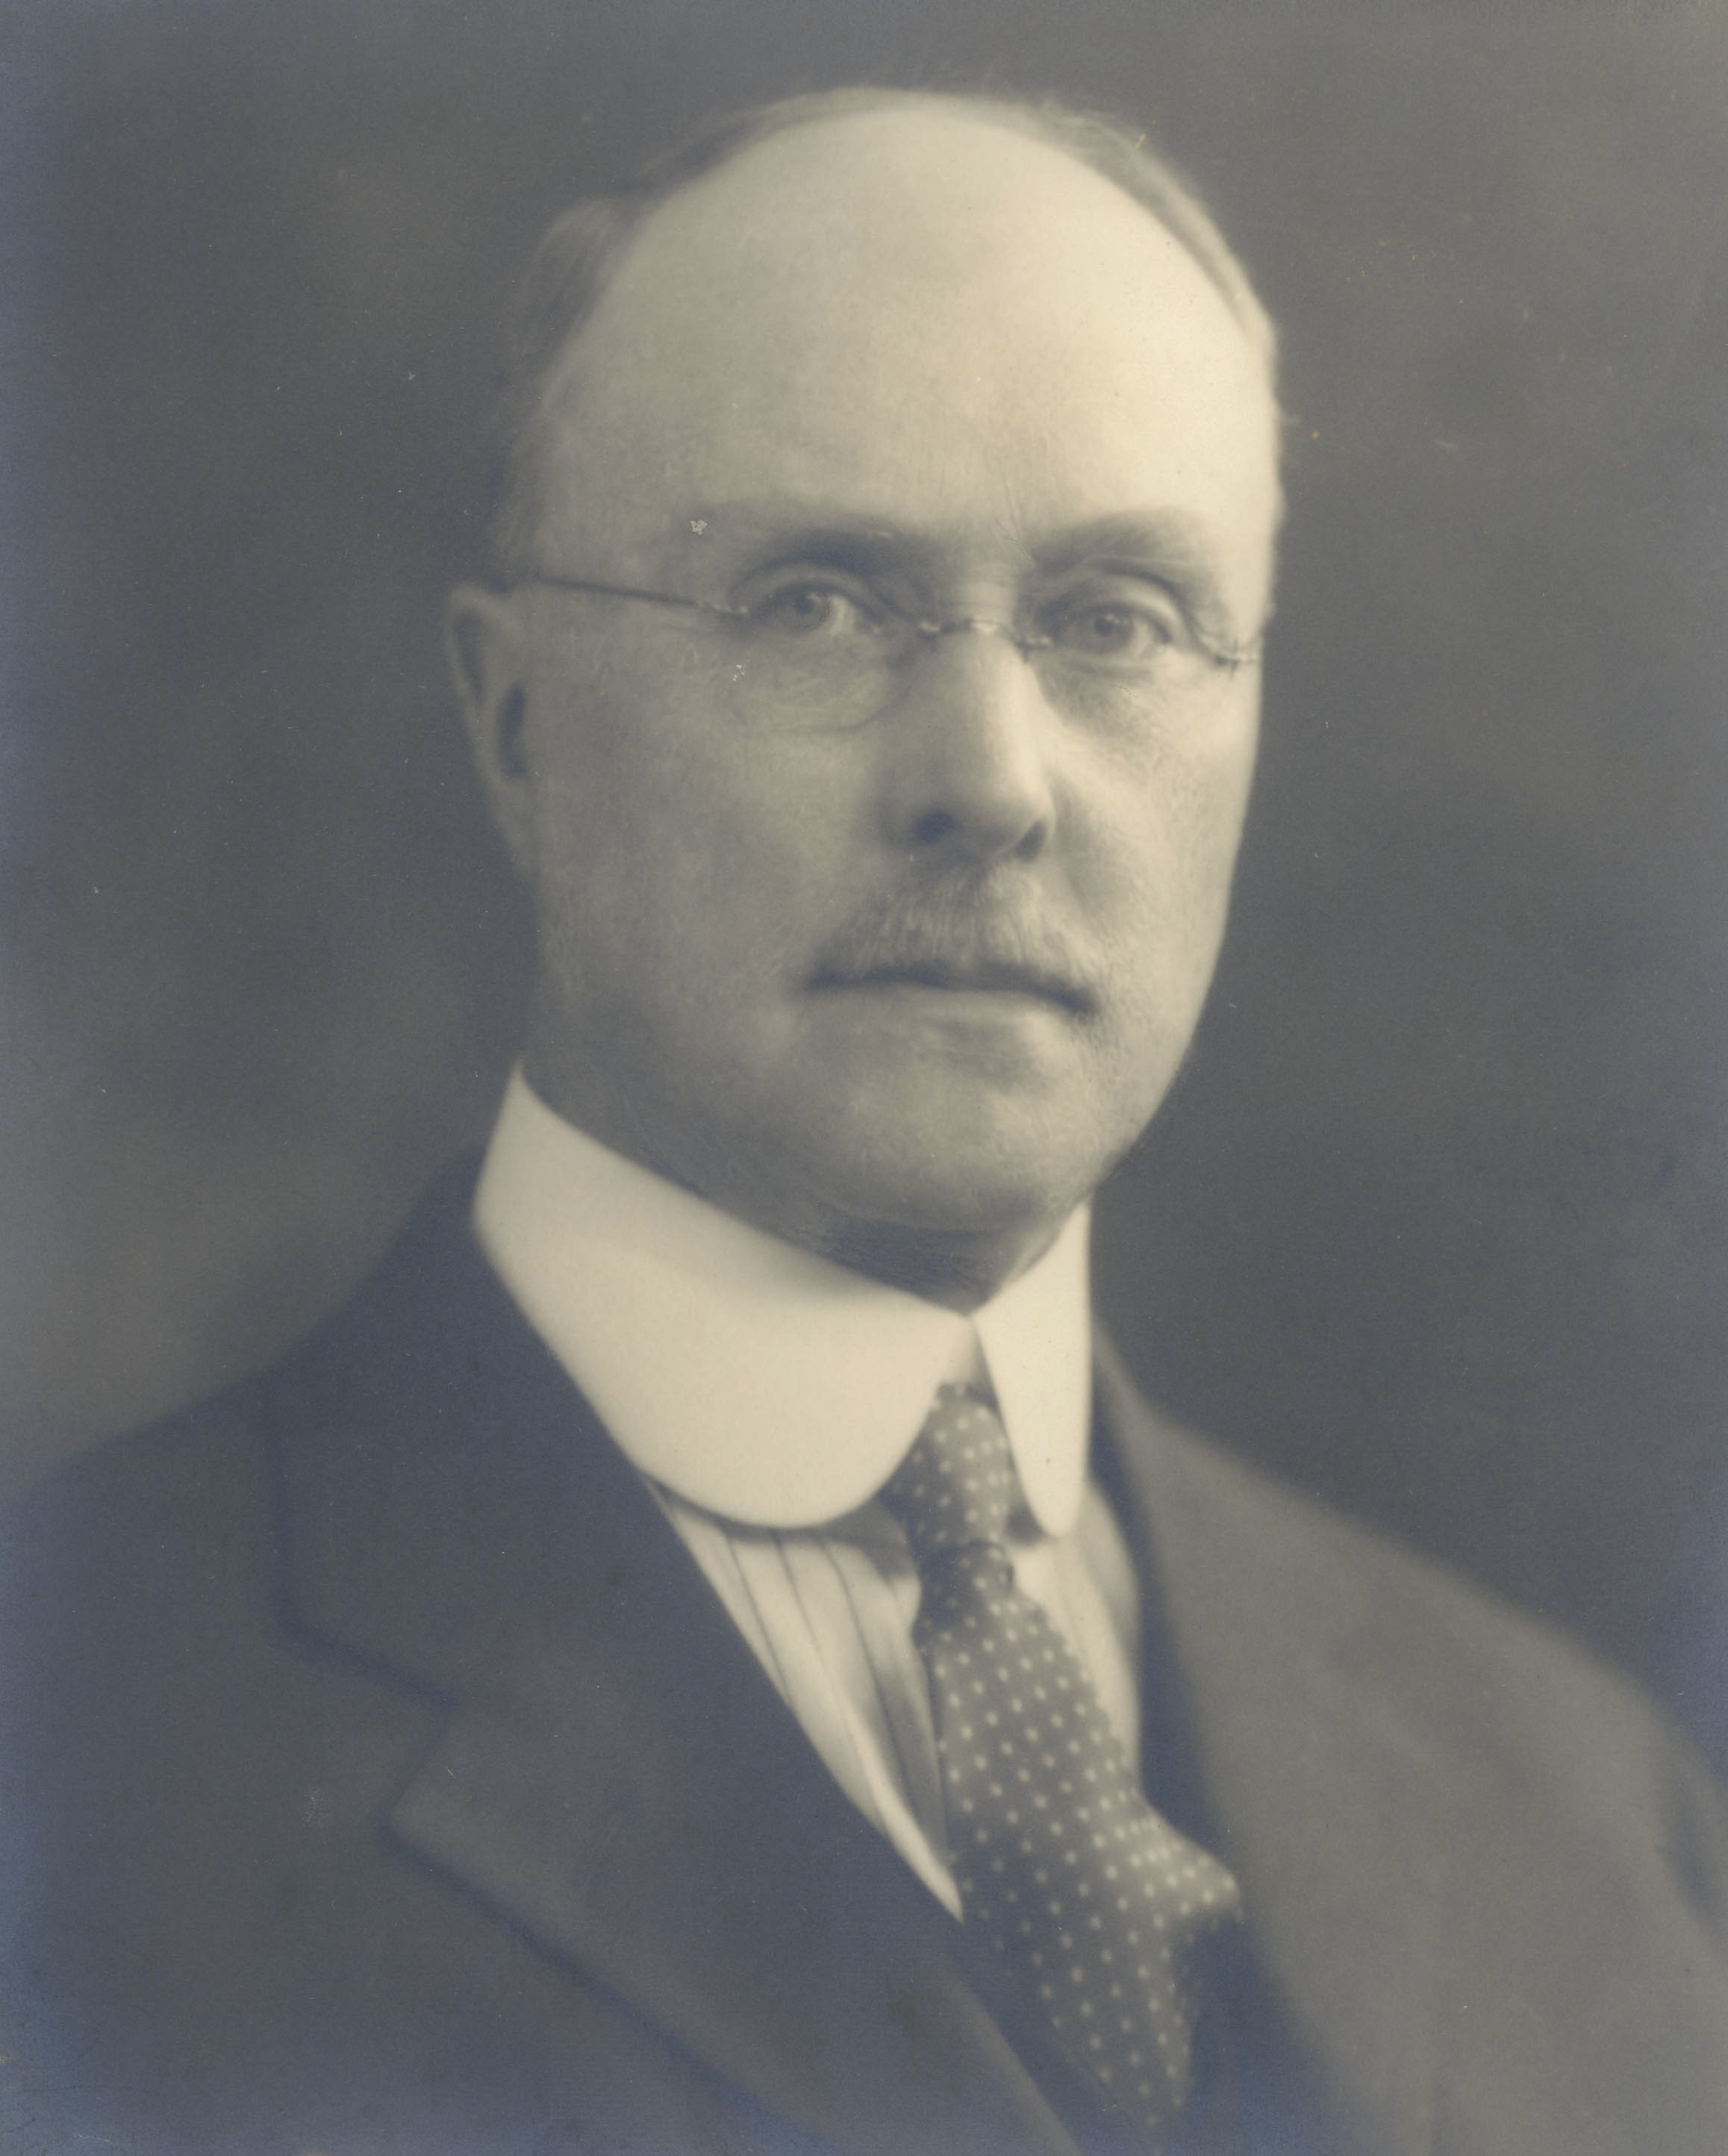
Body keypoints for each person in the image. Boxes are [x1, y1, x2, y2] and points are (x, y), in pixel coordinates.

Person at [3, 86, 1725, 2156]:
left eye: (1117, 620)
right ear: (515, 722)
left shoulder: (1586, 1810)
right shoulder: (70, 1734)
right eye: (811, 602)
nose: (988, 779)